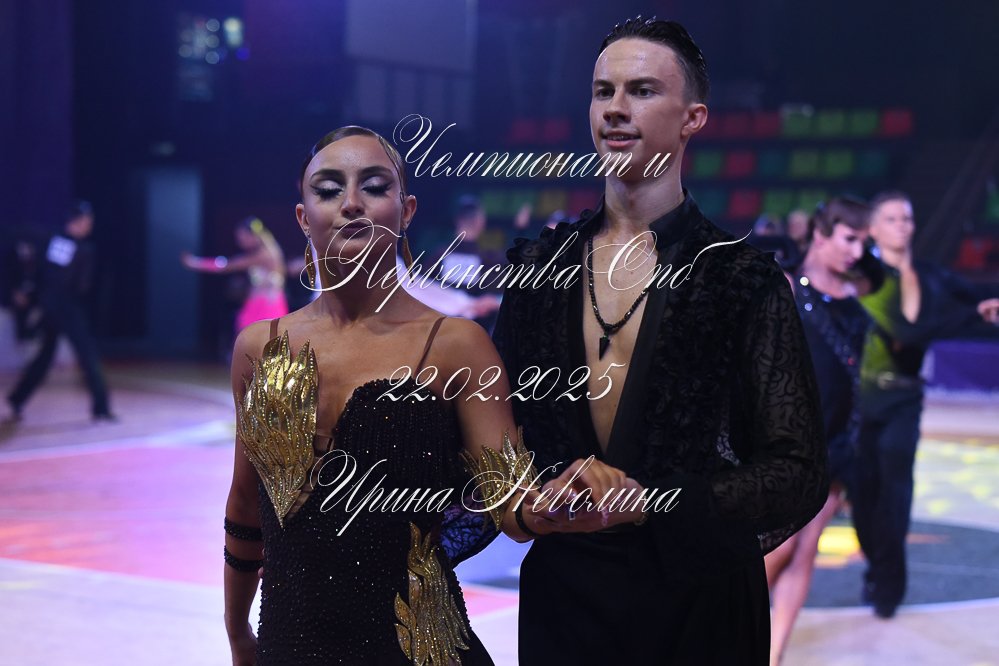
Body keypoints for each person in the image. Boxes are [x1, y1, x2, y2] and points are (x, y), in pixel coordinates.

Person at [493, 17, 827, 664]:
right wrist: (534, 498)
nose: (615, 109)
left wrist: (650, 502)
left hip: (700, 606)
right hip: (566, 601)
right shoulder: (537, 270)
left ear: (692, 118)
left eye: (642, 91)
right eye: (603, 91)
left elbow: (798, 472)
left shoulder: (741, 278)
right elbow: (493, 442)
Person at [222, 126, 543, 665]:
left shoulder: (458, 346)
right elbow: (245, 504)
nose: (351, 203)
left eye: (374, 186)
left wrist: (565, 503)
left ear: (406, 210)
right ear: (303, 217)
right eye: (328, 189)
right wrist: (236, 632)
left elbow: (511, 500)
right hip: (289, 647)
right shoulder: (258, 347)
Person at [853, 191, 999, 619]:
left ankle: (889, 587)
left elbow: (976, 293)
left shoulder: (932, 276)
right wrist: (972, 315)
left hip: (905, 397)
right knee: (864, 495)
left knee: (896, 493)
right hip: (861, 400)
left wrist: (986, 306)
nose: (903, 226)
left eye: (907, 218)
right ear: (873, 229)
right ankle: (877, 568)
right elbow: (908, 332)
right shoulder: (863, 277)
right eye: (892, 219)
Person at [764, 197, 874, 665]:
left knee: (806, 549)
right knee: (779, 545)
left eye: (863, 242)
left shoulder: (856, 301)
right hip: (783, 440)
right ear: (821, 234)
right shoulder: (785, 286)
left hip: (837, 442)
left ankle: (774, 654)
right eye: (849, 239)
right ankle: (729, 633)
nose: (857, 252)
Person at [5, 201, 114, 423]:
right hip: (64, 308)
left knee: (45, 356)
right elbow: (63, 280)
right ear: (76, 221)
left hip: (55, 306)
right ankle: (101, 407)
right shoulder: (69, 245)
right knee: (87, 353)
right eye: (86, 221)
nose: (89, 225)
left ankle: (17, 398)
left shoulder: (65, 242)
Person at [181, 216, 289, 332]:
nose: (239, 241)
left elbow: (227, 265)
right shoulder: (267, 251)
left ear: (252, 236)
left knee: (259, 336)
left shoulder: (264, 254)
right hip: (261, 302)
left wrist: (196, 263)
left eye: (242, 237)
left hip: (266, 306)